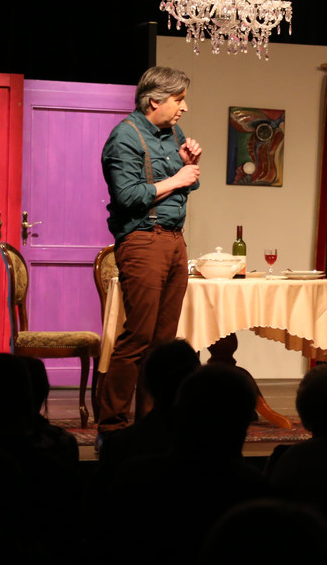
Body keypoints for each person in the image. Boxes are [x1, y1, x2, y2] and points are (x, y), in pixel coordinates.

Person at [97, 66, 202, 438]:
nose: (184, 108)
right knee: (138, 336)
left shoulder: (174, 134)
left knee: (163, 342)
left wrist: (188, 167)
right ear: (154, 100)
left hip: (174, 240)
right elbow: (127, 196)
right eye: (178, 100)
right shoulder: (124, 137)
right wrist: (177, 178)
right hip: (143, 240)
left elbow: (185, 186)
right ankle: (111, 425)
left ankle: (152, 424)